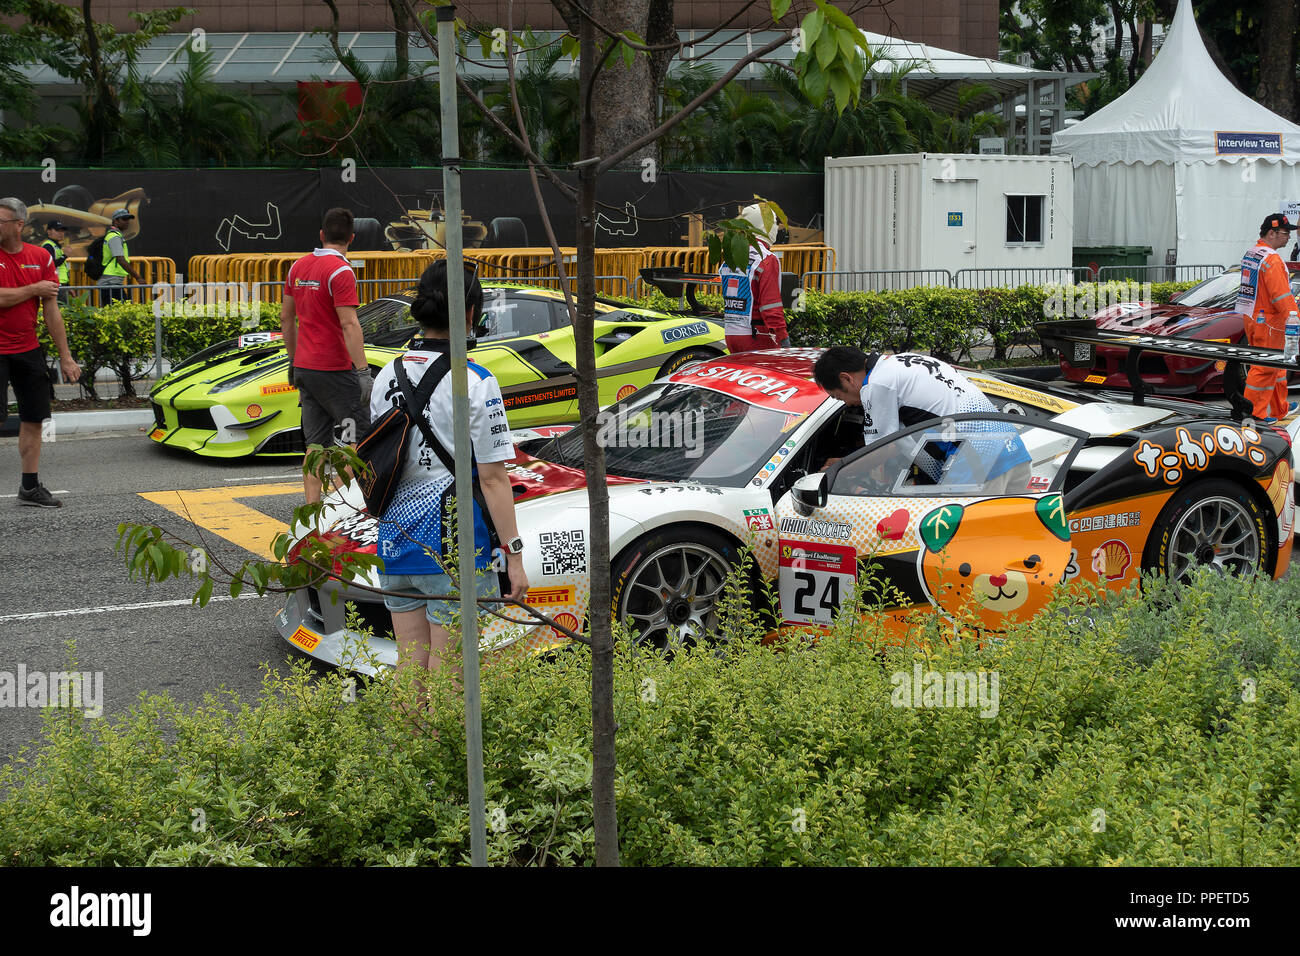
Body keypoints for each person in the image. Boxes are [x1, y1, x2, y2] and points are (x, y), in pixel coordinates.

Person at [369, 258, 528, 692]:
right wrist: (514, 557)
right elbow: (494, 479)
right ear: (472, 313)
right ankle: (448, 759)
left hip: (394, 537)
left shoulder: (387, 374)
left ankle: (408, 757)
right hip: (453, 546)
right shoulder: (477, 381)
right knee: (448, 675)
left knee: (411, 666)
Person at [813, 346, 1031, 492]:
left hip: (978, 465)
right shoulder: (903, 362)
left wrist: (836, 471)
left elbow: (883, 449)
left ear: (846, 378)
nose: (848, 404)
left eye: (838, 396)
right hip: (1013, 451)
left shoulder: (876, 384)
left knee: (962, 551)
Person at [280, 207, 372, 503]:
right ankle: (343, 511)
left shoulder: (297, 267)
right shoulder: (341, 271)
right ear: (352, 238)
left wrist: (293, 363)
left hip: (306, 369)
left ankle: (312, 514)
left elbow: (286, 319)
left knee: (315, 447)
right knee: (352, 443)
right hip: (335, 372)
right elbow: (349, 323)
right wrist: (362, 371)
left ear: (321, 235)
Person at [0, 197, 82, 507]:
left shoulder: (40, 257)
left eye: (1, 221)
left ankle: (30, 487)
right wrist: (33, 289)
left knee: (34, 419)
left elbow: (51, 311)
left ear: (18, 225)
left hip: (28, 350)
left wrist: (66, 357)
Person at [1237, 213, 1300, 423]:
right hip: (1271, 323)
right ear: (1272, 233)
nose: (1289, 237)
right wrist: (1296, 322)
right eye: (1285, 233)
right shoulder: (1272, 259)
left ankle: (1279, 407)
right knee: (1264, 369)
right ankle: (1255, 414)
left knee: (1274, 366)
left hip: (1253, 317)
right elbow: (1282, 297)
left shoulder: (1253, 253)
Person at [719, 202, 790, 352]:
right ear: (765, 226)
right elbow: (770, 305)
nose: (777, 227)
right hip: (757, 335)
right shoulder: (766, 259)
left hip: (731, 334)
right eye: (774, 222)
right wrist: (783, 337)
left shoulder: (732, 255)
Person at [97, 208, 142, 306]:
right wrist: (138, 277)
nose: (127, 222)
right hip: (110, 282)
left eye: (128, 219)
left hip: (112, 281)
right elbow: (120, 259)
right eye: (124, 219)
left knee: (117, 312)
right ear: (115, 221)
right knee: (120, 312)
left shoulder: (115, 235)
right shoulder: (114, 237)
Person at [39, 220, 70, 304]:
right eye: (57, 230)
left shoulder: (55, 245)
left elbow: (63, 268)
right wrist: (64, 256)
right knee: (61, 312)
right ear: (49, 231)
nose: (61, 233)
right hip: (55, 284)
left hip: (61, 284)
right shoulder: (48, 245)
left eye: (62, 231)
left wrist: (68, 286)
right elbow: (51, 265)